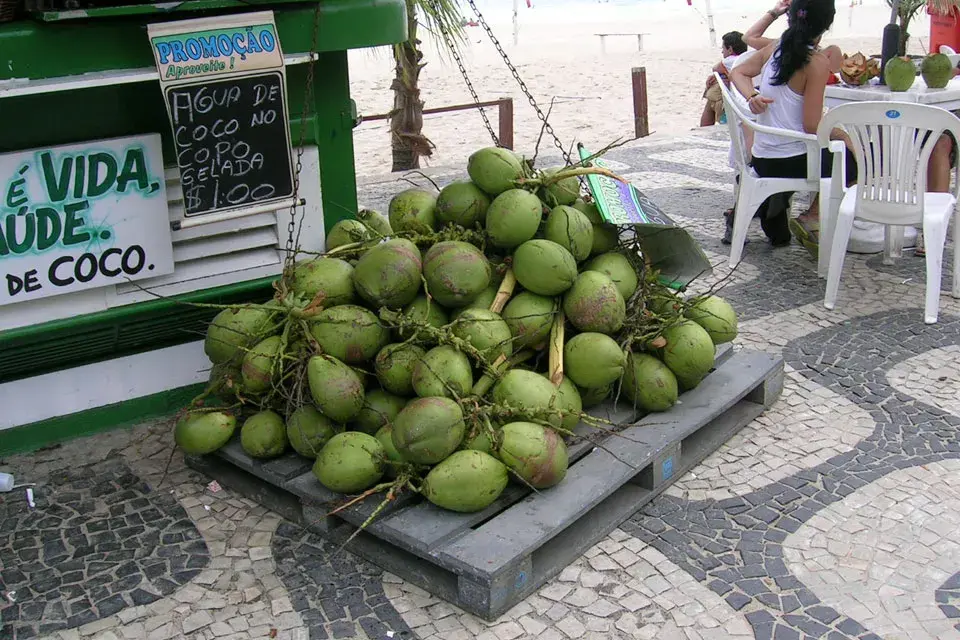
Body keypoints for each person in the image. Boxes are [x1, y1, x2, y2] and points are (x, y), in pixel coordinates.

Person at [729, 0, 857, 249]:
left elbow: (738, 71)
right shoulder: (816, 63)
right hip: (791, 161)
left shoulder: (775, 48)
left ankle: (779, 204)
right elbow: (812, 126)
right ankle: (813, 216)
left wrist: (751, 96)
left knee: (835, 151)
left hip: (762, 157)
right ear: (826, 25)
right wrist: (840, 133)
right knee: (855, 159)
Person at [701, 32, 749, 127]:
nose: (722, 52)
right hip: (747, 97)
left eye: (723, 48)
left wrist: (718, 75)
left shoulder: (730, 60)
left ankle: (704, 128)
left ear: (730, 49)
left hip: (737, 102)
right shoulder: (750, 58)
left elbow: (715, 68)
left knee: (713, 91)